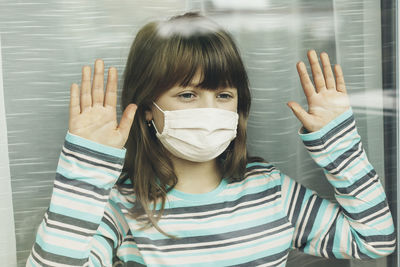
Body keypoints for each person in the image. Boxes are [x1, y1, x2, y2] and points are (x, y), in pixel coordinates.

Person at [26, 12, 395, 267]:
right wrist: (86, 166)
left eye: (223, 95)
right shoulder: (123, 207)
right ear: (149, 108)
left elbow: (376, 241)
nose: (211, 110)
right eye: (188, 95)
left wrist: (339, 141)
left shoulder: (270, 189)